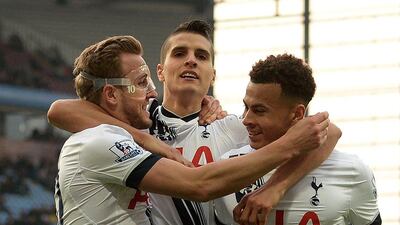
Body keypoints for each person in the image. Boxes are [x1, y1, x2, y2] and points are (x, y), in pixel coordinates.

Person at [48, 20, 341, 225]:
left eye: (201, 56)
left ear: (212, 75)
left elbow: (326, 132)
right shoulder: (137, 120)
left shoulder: (233, 126)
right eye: (180, 53)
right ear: (161, 72)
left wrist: (276, 186)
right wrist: (145, 138)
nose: (191, 61)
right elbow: (61, 109)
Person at [214, 54, 381, 225]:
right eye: (246, 107)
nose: (246, 119)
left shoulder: (351, 171)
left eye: (259, 110)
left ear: (297, 114)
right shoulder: (227, 167)